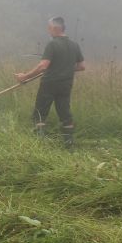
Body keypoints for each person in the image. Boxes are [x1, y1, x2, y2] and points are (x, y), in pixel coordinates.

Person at [15, 17, 85, 147]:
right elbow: (81, 66)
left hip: (49, 84)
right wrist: (66, 68)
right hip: (66, 85)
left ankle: (39, 144)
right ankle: (69, 144)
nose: (48, 31)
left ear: (55, 28)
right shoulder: (74, 45)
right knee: (65, 112)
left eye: (49, 28)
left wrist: (25, 76)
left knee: (40, 113)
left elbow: (43, 66)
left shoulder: (52, 44)